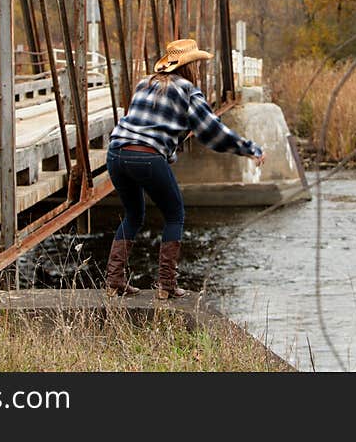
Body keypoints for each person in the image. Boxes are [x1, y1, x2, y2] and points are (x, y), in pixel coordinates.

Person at [105, 38, 266, 299]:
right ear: (189, 67)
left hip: (115, 154)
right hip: (146, 156)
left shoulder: (144, 83)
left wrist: (175, 140)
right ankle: (166, 285)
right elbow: (213, 132)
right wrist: (250, 149)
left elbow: (152, 123)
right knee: (175, 214)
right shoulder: (188, 91)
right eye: (197, 65)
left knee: (133, 214)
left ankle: (114, 281)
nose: (199, 70)